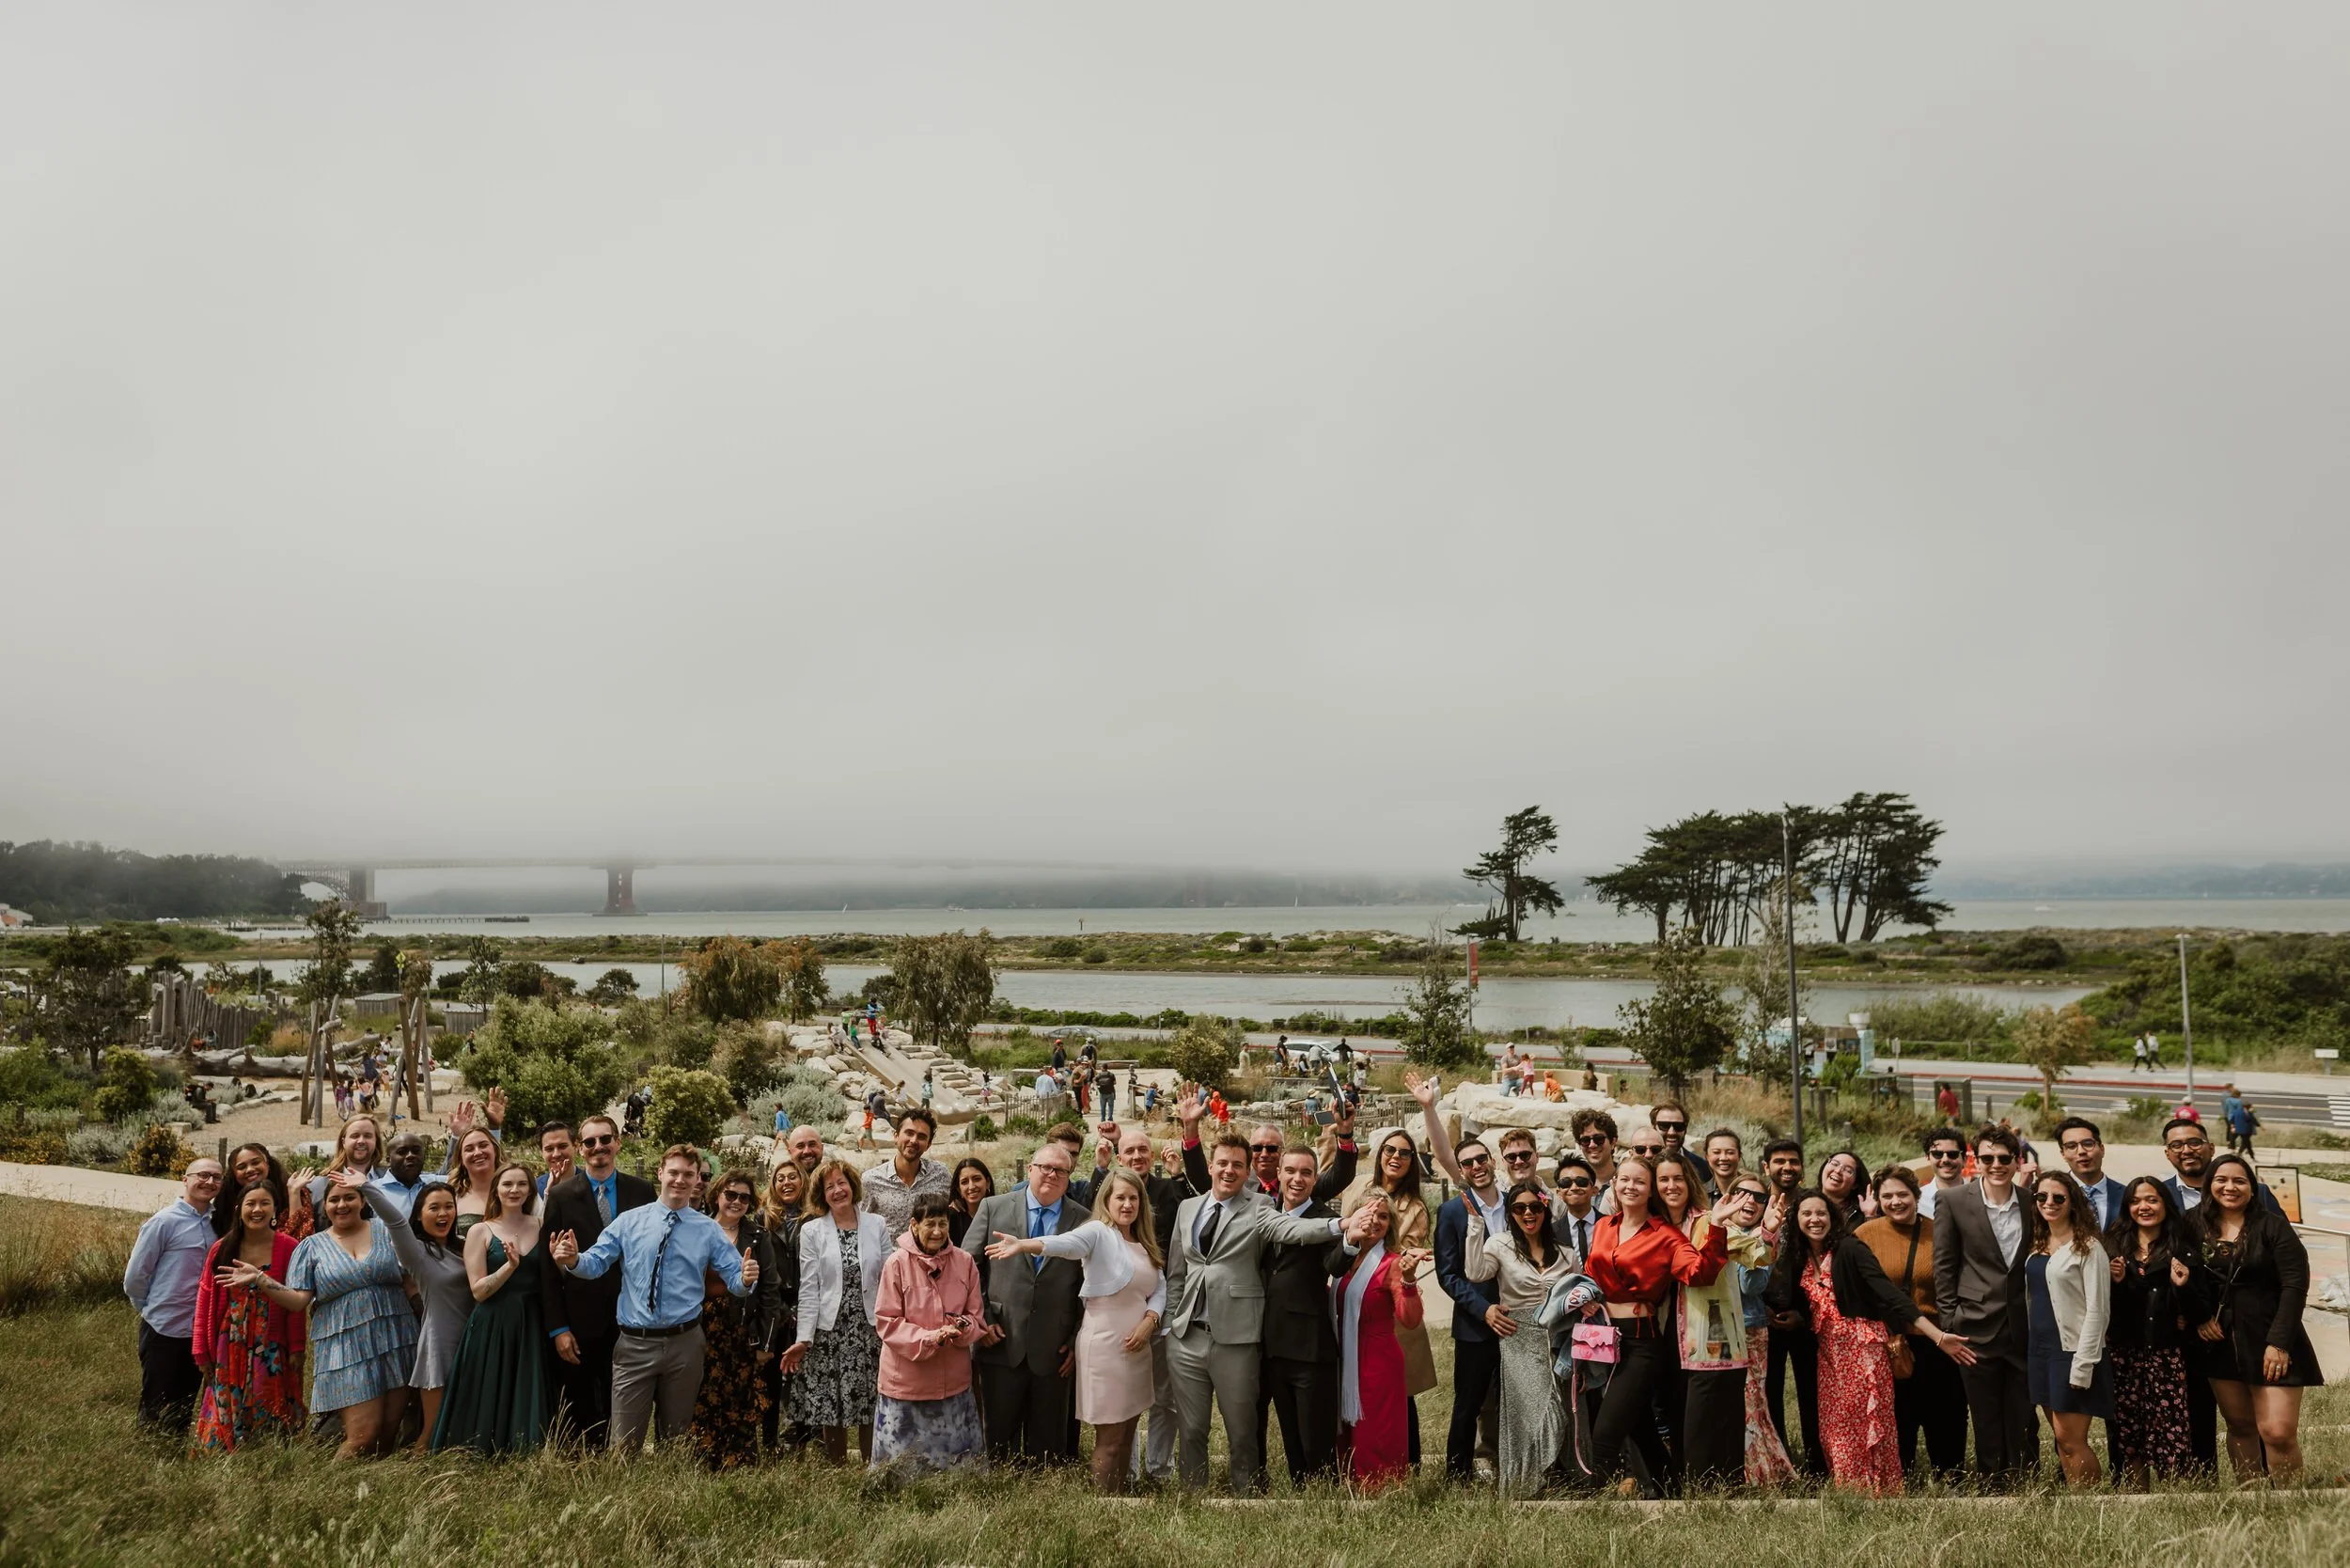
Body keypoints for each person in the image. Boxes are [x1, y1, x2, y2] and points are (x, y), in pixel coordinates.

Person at [1162, 1133, 1364, 1493]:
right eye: (1222, 1163)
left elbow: (1290, 1228)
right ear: (1210, 1167)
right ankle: (1191, 1496)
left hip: (1235, 1336)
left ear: (1247, 1170)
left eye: (1237, 1165)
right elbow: (1177, 1273)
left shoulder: (1259, 1206)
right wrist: (1169, 1327)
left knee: (1243, 1427)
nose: (1229, 1170)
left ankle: (1247, 1494)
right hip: (1186, 1336)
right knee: (1191, 1428)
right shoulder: (1187, 1209)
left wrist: (1339, 1225)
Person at [549, 1144, 760, 1455]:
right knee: (624, 1443)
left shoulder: (707, 1230)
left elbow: (735, 1279)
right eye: (673, 1172)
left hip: (685, 1343)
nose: (680, 1180)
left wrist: (745, 1280)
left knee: (675, 1440)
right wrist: (572, 1259)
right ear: (661, 1173)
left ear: (696, 1180)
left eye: (688, 1174)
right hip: (634, 1345)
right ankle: (627, 1500)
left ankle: (668, 1499)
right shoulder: (628, 1222)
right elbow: (595, 1264)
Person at [1772, 1189, 1973, 1496]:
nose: (1815, 1220)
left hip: (1862, 1347)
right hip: (1829, 1353)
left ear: (1832, 1217)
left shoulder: (1850, 1248)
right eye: (1807, 1214)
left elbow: (1888, 1293)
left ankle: (1878, 1494)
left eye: (1821, 1213)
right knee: (1833, 1429)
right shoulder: (1799, 1255)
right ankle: (1851, 1494)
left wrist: (1937, 1336)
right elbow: (1789, 1294)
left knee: (1863, 1426)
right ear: (1796, 1219)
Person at [988, 1166, 1165, 1490]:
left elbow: (1159, 1289)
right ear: (1107, 1201)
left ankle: (1120, 1498)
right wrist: (1025, 1245)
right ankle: (1103, 1504)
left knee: (1127, 1434)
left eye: (1133, 1198)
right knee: (1110, 1438)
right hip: (1106, 1348)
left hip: (1138, 1348)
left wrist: (1150, 1321)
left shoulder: (1143, 1242)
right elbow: (1065, 1243)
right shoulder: (1098, 1232)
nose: (1127, 1205)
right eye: (1120, 1198)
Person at [1585, 1155, 1731, 1495]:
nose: (1630, 1187)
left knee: (1605, 1432)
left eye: (1639, 1182)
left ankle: (1590, 1507)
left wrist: (1718, 1227)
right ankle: (1672, 1493)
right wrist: (1587, 1293)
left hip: (1642, 1344)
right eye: (1624, 1180)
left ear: (1650, 1191)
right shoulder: (1604, 1226)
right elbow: (1592, 1272)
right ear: (1614, 1184)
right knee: (1640, 1428)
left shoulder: (1665, 1235)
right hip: (1606, 1339)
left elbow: (1700, 1274)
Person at [243, 1177, 415, 1458]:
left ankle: (366, 1495)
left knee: (387, 1433)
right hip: (346, 1348)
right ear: (325, 1207)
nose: (342, 1204)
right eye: (334, 1200)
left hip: (397, 1337)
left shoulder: (386, 1231)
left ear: (363, 1201)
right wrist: (261, 1279)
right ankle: (324, 1495)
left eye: (349, 1197)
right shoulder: (312, 1247)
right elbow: (298, 1300)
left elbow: (411, 1279)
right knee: (362, 1436)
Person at [2190, 1152, 2324, 1482]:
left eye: (2239, 1181)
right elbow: (2183, 1277)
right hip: (2220, 1341)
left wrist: (2279, 1342)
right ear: (2209, 1186)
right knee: (2240, 1425)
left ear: (2252, 1188)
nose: (2230, 1187)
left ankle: (2290, 1502)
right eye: (2221, 1180)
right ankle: (2254, 1500)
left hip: (2270, 1336)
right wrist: (2199, 1316)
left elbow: (2295, 1285)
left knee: (2277, 1431)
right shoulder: (2192, 1224)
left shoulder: (2272, 1225)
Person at [963, 1140, 1092, 1465]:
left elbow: (1090, 1285)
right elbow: (966, 1268)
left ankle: (1042, 1498)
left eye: (1060, 1170)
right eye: (1045, 1167)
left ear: (1069, 1176)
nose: (1051, 1174)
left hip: (1054, 1348)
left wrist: (1077, 1337)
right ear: (1031, 1169)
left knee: (1047, 1448)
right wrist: (983, 1318)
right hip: (1000, 1338)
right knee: (999, 1442)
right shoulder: (994, 1207)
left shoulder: (1085, 1220)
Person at [538, 1112, 655, 1447]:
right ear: (580, 1148)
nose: (598, 1147)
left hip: (631, 1317)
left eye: (605, 1139)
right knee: (580, 1403)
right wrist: (558, 1329)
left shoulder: (642, 1190)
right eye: (590, 1142)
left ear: (618, 1143)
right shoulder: (561, 1196)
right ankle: (581, 1463)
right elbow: (548, 1268)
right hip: (579, 1318)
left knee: (625, 1398)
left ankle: (622, 1459)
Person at [1932, 1123, 2036, 1483]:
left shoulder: (2031, 1202)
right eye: (1988, 1158)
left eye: (2004, 1158)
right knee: (1985, 1412)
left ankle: (2023, 1479)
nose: (1996, 1165)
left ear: (2016, 1161)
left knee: (2023, 1411)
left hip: (2023, 1324)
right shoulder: (1953, 1200)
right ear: (1975, 1160)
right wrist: (1950, 1321)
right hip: (1973, 1324)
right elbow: (1944, 1265)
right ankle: (1991, 1480)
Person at [1853, 1166, 1966, 1481]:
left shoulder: (1940, 1232)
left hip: (1938, 1340)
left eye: (1902, 1194)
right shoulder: (1865, 1234)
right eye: (1887, 1196)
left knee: (1946, 1416)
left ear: (1917, 1195)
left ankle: (1951, 1479)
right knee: (1897, 1417)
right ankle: (1900, 1479)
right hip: (1889, 1342)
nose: (1896, 1201)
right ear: (1877, 1200)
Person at [1462, 1179, 1574, 1493]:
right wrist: (1474, 1225)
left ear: (1545, 1209)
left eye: (1535, 1207)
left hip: (1557, 1337)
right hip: (1518, 1335)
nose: (1528, 1213)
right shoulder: (1500, 1244)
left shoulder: (1565, 1254)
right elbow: (1475, 1273)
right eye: (1519, 1208)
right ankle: (1526, 1480)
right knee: (1528, 1410)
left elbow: (1576, 1291)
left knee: (1559, 1408)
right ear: (1511, 1213)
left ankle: (1557, 1475)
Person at [431, 1161, 550, 1454]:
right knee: (489, 1388)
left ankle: (525, 1449)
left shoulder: (541, 1226)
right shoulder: (480, 1231)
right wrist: (509, 1267)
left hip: (531, 1322)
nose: (514, 1190)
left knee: (525, 1388)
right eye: (507, 1184)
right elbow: (479, 1291)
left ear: (531, 1190)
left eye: (522, 1184)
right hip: (493, 1322)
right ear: (497, 1189)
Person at [1658, 1156, 1760, 1492]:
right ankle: (1676, 1485)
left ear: (1690, 1182)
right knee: (1676, 1415)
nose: (1671, 1186)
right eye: (1663, 1179)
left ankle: (1716, 1491)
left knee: (1712, 1418)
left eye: (1678, 1178)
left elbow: (1756, 1253)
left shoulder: (1709, 1220)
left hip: (1711, 1334)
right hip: (1662, 1333)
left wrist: (1769, 1231)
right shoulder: (1650, 1225)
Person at [778, 1157, 889, 1464]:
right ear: (822, 1195)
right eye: (830, 1187)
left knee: (870, 1400)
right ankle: (836, 1469)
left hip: (869, 1327)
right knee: (830, 1404)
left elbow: (891, 1277)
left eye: (842, 1183)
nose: (838, 1190)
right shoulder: (813, 1231)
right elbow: (809, 1288)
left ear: (852, 1186)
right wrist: (804, 1338)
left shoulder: (876, 1224)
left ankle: (872, 1467)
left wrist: (893, 1323)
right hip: (829, 1331)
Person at [352, 1170, 470, 1449]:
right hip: (440, 1340)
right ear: (419, 1215)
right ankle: (416, 1468)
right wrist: (366, 1187)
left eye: (448, 1206)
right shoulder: (415, 1251)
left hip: (473, 1335)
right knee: (431, 1432)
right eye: (434, 1208)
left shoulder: (466, 1245)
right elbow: (394, 1220)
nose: (443, 1214)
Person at [1253, 1143, 1347, 1487]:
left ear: (1315, 1178)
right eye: (1290, 1171)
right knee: (1290, 1433)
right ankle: (1298, 1489)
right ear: (1277, 1174)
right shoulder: (1263, 1213)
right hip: (1269, 1345)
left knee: (1315, 1438)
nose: (1297, 1179)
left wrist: (1350, 1242)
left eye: (1306, 1172)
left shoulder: (1324, 1219)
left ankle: (1323, 1495)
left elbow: (1335, 1263)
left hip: (1310, 1348)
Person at [189, 1178, 305, 1452]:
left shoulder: (289, 1247)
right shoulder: (222, 1248)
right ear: (239, 1208)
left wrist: (298, 1347)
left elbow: (295, 1302)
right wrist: (201, 1351)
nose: (257, 1209)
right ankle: (223, 1454)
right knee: (224, 1399)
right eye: (251, 1203)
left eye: (265, 1203)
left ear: (276, 1210)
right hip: (229, 1341)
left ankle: (266, 1454)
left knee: (270, 1398)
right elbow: (204, 1300)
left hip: (272, 1342)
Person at [2102, 1175, 2201, 1486]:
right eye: (2135, 1201)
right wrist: (2113, 1284)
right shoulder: (2113, 1244)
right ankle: (2136, 1498)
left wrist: (2183, 1289)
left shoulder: (2183, 1245)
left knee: (2172, 1432)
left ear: (2165, 1205)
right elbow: (2100, 1304)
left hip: (2166, 1353)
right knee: (2128, 1432)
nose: (2143, 1207)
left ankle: (2176, 1497)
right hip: (2124, 1352)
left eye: (2152, 1200)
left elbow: (2200, 1309)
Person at [123, 1158, 227, 1433]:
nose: (210, 1182)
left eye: (216, 1177)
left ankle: (173, 1453)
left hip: (200, 1330)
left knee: (185, 1401)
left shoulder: (217, 1223)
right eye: (203, 1175)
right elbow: (135, 1276)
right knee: (156, 1398)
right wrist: (149, 1309)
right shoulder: (164, 1222)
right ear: (185, 1179)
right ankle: (148, 1450)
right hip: (164, 1327)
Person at [691, 1168, 781, 1469]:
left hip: (742, 1329)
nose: (737, 1202)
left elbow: (770, 1290)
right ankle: (702, 1463)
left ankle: (739, 1466)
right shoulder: (697, 1230)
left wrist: (766, 1342)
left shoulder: (758, 1236)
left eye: (744, 1197)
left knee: (740, 1400)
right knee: (701, 1396)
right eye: (730, 1194)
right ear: (717, 1195)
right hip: (700, 1329)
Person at [1333, 1192, 1424, 1491]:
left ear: (1391, 1225)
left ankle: (1380, 1494)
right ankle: (1349, 1489)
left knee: (1375, 1434)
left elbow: (1409, 1319)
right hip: (1344, 1357)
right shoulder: (1343, 1259)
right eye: (1369, 1213)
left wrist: (1409, 1281)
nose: (1375, 1221)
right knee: (1347, 1434)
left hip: (1377, 1362)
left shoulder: (1393, 1264)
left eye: (1383, 1216)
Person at [2025, 1170, 2110, 1486]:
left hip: (2071, 1353)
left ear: (2073, 1203)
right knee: (2061, 1439)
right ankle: (2078, 1498)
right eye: (2042, 1197)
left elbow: (2098, 1311)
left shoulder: (2089, 1248)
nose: (2049, 1203)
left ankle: (2093, 1504)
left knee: (2071, 1438)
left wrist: (2084, 1364)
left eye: (2058, 1197)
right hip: (2041, 1351)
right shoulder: (2038, 1241)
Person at [1723, 1174, 1796, 1487]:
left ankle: (1763, 1474)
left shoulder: (1765, 1237)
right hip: (1712, 1328)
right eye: (1742, 1193)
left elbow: (1749, 1285)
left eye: (1758, 1197)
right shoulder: (1709, 1229)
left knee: (1753, 1403)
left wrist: (1764, 1238)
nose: (1750, 1201)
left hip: (1750, 1327)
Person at [1757, 1137, 1821, 1475]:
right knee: (1769, 1397)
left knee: (1812, 1394)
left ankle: (1815, 1465)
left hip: (1803, 1317)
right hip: (1761, 1315)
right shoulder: (1753, 1204)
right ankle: (1778, 1464)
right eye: (1779, 1161)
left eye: (1793, 1161)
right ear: (1766, 1166)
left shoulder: (1811, 1206)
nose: (1787, 1167)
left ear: (1801, 1167)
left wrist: (1806, 1314)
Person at [758, 1160, 807, 1452]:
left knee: (802, 1375)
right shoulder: (762, 1218)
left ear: (802, 1181)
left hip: (806, 1301)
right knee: (772, 1377)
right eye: (780, 1178)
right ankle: (769, 1441)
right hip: (774, 1304)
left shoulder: (814, 1217)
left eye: (792, 1177)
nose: (786, 1183)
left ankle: (802, 1440)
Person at [862, 1106, 951, 1242]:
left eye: (921, 1137)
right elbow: (863, 1226)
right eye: (909, 1133)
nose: (914, 1140)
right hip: (888, 1260)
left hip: (931, 1260)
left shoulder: (941, 1174)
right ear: (896, 1136)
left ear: (928, 1144)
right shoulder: (872, 1180)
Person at [210, 1143, 302, 1238]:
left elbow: (301, 1238)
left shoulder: (292, 1190)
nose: (250, 1169)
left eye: (255, 1162)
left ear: (267, 1163)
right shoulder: (225, 1200)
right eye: (241, 1167)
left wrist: (294, 1194)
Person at [2053, 1117, 2128, 1231]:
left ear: (2102, 1149)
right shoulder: (2051, 1196)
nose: (2081, 1151)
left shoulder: (2126, 1195)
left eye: (2088, 1144)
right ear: (2063, 1154)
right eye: (2071, 1146)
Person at [1916, 1127, 1969, 1218]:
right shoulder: (1918, 1201)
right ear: (1928, 1157)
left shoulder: (1981, 1197)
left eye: (1952, 1154)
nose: (1945, 1160)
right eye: (1937, 1154)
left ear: (1964, 1159)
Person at [947, 1157, 995, 1247]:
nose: (971, 1186)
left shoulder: (1001, 1214)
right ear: (958, 1189)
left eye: (976, 1179)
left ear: (988, 1182)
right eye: (964, 1182)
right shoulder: (952, 1218)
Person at [1816, 1151, 1871, 1228]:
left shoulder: (1860, 1215)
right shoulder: (1803, 1201)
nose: (1838, 1171)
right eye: (1834, 1164)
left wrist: (1870, 1216)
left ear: (1855, 1184)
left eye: (1848, 1170)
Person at [1700, 1128, 1743, 1200]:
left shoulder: (1752, 1190)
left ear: (1739, 1156)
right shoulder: (1699, 1195)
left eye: (1730, 1152)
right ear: (1707, 1156)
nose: (1723, 1158)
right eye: (1716, 1152)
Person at [536, 1121, 576, 1198]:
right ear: (542, 1153)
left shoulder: (591, 1183)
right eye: (549, 1149)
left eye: (562, 1146)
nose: (556, 1154)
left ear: (575, 1147)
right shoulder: (534, 1188)